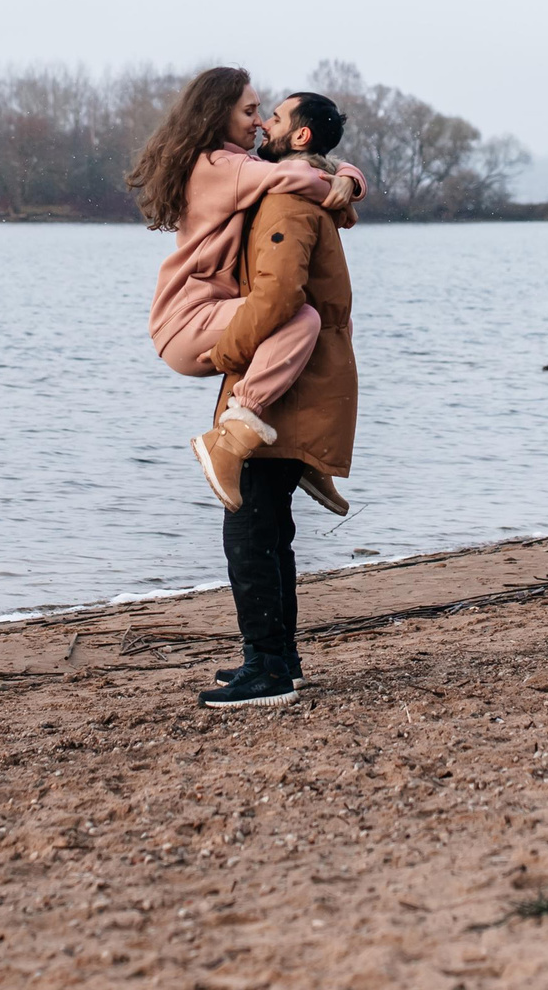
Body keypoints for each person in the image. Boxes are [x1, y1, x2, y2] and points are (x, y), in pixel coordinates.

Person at [194, 90, 361, 709]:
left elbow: (278, 296)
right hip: (305, 381)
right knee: (269, 528)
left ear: (300, 137)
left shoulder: (286, 200)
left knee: (250, 529)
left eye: (277, 117)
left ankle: (267, 668)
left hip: (287, 390)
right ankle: (278, 659)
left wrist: (224, 354)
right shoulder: (308, 189)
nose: (265, 123)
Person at [129, 68, 363, 503]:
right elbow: (296, 176)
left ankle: (306, 452)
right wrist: (343, 184)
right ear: (219, 114)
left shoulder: (238, 165)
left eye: (262, 113)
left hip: (207, 314)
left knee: (332, 322)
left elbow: (300, 169)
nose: (258, 122)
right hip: (189, 320)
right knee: (302, 318)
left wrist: (349, 177)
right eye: (250, 111)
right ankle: (230, 438)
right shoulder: (219, 165)